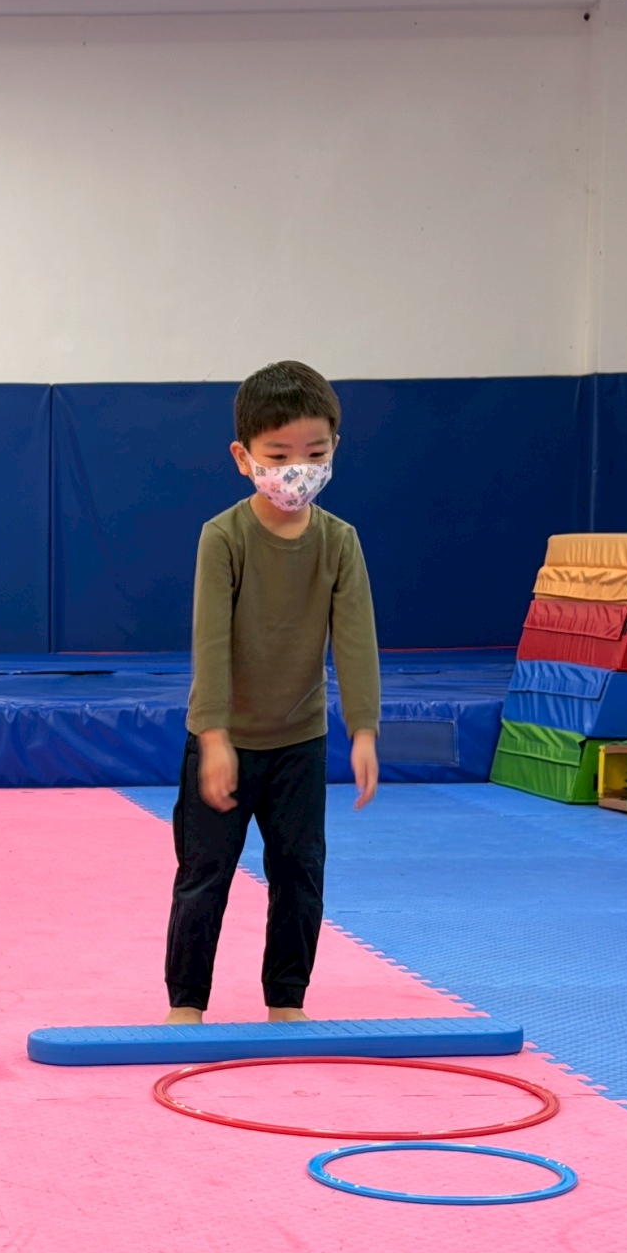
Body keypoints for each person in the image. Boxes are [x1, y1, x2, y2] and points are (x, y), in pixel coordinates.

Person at [165, 360, 380, 1025]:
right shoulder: (223, 537)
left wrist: (363, 729)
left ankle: (286, 998)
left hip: (299, 742)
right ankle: (187, 1002)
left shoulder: (339, 542)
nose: (297, 470)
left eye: (314, 454)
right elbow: (211, 642)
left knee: (299, 872)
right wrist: (214, 738)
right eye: (279, 456)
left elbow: (355, 639)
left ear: (334, 449)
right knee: (204, 874)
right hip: (226, 741)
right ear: (244, 457)